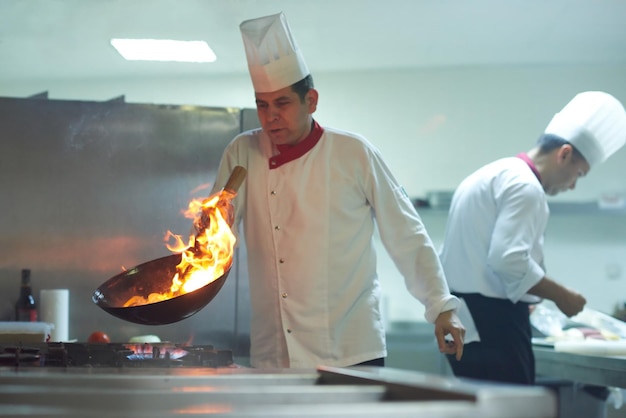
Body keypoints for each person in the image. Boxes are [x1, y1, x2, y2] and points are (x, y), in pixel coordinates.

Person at [210, 12, 465, 369]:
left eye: (282, 103)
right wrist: (210, 230)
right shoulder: (241, 152)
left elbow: (405, 232)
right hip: (274, 353)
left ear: (310, 100)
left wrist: (441, 307)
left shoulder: (353, 153)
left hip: (349, 350)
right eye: (262, 105)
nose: (270, 118)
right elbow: (214, 239)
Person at [439, 91, 626, 384]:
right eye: (579, 173)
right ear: (564, 154)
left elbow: (475, 259)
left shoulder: (492, 173)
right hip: (493, 326)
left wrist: (527, 294)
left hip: (465, 320)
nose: (573, 185)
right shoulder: (526, 187)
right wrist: (563, 295)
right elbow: (508, 260)